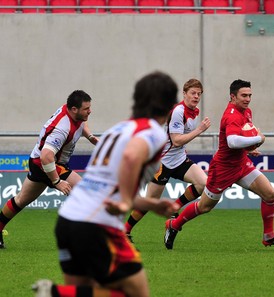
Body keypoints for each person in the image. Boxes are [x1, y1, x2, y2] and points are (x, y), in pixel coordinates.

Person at [32, 71, 180, 297]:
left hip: (68, 219)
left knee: (85, 290)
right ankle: (57, 293)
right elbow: (131, 157)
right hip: (95, 225)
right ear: (170, 105)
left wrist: (151, 204)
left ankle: (58, 293)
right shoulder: (153, 133)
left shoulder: (117, 130)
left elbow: (106, 188)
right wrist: (126, 203)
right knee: (137, 292)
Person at [164, 79, 274, 250]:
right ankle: (174, 225)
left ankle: (268, 236)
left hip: (241, 164)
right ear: (233, 97)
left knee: (269, 194)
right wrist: (259, 139)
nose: (247, 99)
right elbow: (232, 142)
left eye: (249, 95)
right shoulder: (231, 115)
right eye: (244, 96)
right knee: (204, 207)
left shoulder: (246, 112)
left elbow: (239, 139)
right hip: (223, 169)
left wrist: (248, 149)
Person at [0, 90, 99, 249]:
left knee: (21, 200)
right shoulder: (61, 129)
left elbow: (82, 122)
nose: (90, 111)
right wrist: (57, 181)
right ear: (74, 109)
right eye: (86, 109)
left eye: (89, 107)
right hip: (46, 164)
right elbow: (46, 156)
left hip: (39, 161)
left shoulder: (74, 113)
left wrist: (91, 138)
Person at [125, 78, 211, 242]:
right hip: (162, 162)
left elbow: (178, 143)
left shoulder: (194, 112)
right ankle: (125, 230)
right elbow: (177, 140)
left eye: (199, 94)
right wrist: (200, 130)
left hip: (179, 159)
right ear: (184, 94)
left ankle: (174, 208)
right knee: (151, 201)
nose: (196, 96)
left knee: (203, 183)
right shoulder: (178, 111)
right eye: (193, 93)